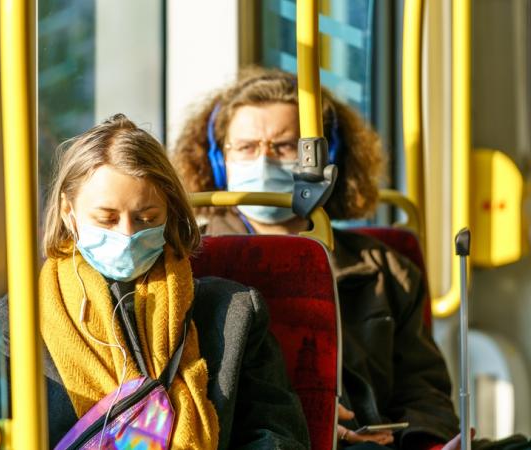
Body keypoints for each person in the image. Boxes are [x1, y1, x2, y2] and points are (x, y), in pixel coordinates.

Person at [0, 114, 310, 449]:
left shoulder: (232, 314)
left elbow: (276, 434)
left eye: (146, 218)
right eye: (106, 218)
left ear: (170, 213)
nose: (127, 233)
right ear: (68, 213)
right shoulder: (21, 322)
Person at [172, 68, 465, 450]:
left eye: (285, 147)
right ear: (217, 160)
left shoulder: (386, 270)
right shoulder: (193, 264)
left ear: (325, 160)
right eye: (246, 148)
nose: (264, 161)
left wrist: (418, 440)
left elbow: (425, 392)